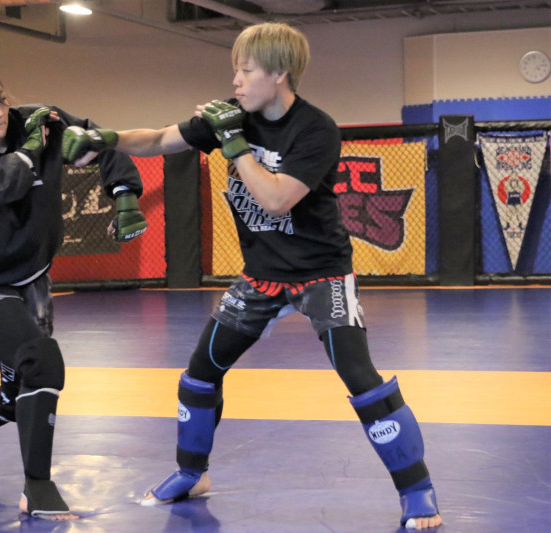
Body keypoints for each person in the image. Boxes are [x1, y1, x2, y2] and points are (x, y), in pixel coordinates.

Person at [61, 22, 442, 530]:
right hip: (261, 275)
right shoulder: (231, 116)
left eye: (245, 70)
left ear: (279, 73)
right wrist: (105, 138)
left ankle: (417, 490)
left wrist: (234, 142)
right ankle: (191, 473)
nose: (236, 81)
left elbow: (277, 198)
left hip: (320, 274)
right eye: (234, 71)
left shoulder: (316, 129)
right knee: (200, 374)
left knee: (361, 378)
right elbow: (158, 138)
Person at [0, 64, 146, 521]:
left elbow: (98, 141)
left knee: (17, 394)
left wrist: (125, 196)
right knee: (43, 362)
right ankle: (38, 487)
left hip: (35, 281)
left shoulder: (40, 121)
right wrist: (29, 152)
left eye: (1, 101)